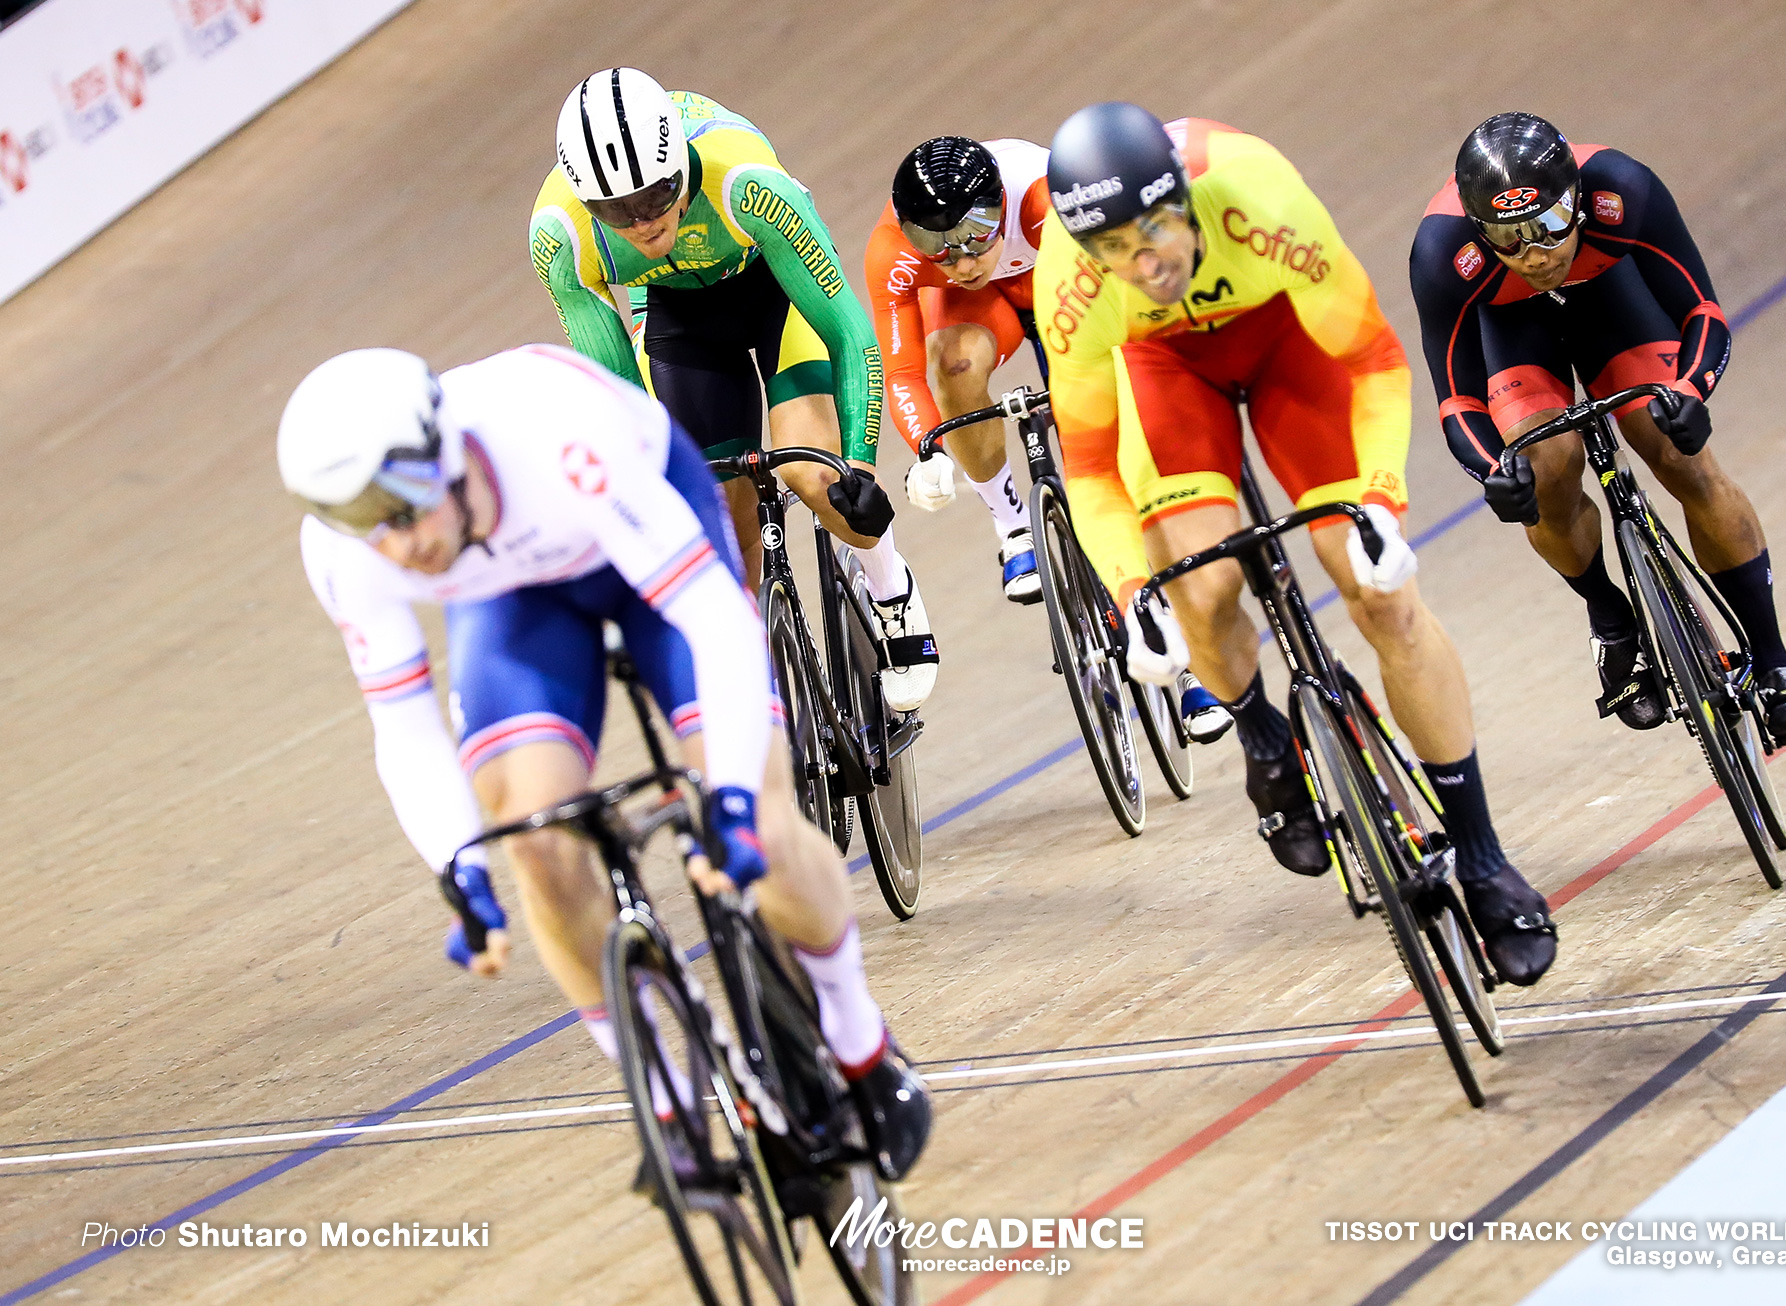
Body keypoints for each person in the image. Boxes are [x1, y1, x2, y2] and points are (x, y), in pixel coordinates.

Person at [277, 343, 932, 1183]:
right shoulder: (346, 551)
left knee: (761, 825)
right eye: (365, 526)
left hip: (646, 544)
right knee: (535, 845)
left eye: (401, 513)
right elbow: (401, 724)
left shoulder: (556, 438)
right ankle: (665, 1102)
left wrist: (729, 799)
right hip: (513, 604)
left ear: (442, 460)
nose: (394, 548)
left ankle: (859, 1042)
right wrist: (457, 868)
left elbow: (711, 619)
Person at [1034, 103, 1557, 986]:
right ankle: (1264, 736)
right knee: (1201, 588)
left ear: (1185, 199)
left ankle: (1482, 856)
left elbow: (1373, 360)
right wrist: (1132, 599)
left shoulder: (1256, 194)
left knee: (1382, 595)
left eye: (1157, 231)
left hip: (1288, 347)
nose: (1146, 262)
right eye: (1117, 249)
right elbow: (1087, 464)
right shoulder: (1073, 284)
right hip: (1169, 375)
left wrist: (1382, 504)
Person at [1409, 112, 1786, 746]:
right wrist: (1495, 471)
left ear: (1577, 200)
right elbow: (1455, 401)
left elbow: (1702, 312)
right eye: (1510, 239)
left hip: (1612, 298)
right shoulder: (1443, 255)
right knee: (1544, 470)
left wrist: (1691, 392)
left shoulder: (1622, 188)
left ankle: (1773, 664)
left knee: (1679, 454)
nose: (1537, 255)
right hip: (1512, 329)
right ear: (1477, 232)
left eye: (1550, 226)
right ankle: (1610, 616)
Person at [530, 68, 937, 713]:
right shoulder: (564, 234)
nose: (640, 222)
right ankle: (754, 688)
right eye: (616, 210)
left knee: (815, 477)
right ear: (587, 203)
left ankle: (890, 590)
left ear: (681, 166)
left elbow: (847, 330)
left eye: (656, 195)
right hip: (680, 319)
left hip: (774, 290)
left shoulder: (746, 185)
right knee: (721, 513)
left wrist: (858, 462)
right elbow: (616, 396)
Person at [870, 134, 1230, 741]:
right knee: (954, 365)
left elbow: (1122, 309)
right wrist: (927, 448)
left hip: (1059, 282)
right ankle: (1011, 522)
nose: (961, 261)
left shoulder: (1045, 201)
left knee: (1107, 445)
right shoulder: (896, 253)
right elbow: (901, 370)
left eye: (976, 235)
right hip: (977, 311)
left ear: (999, 209)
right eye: (940, 249)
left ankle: (1179, 643)